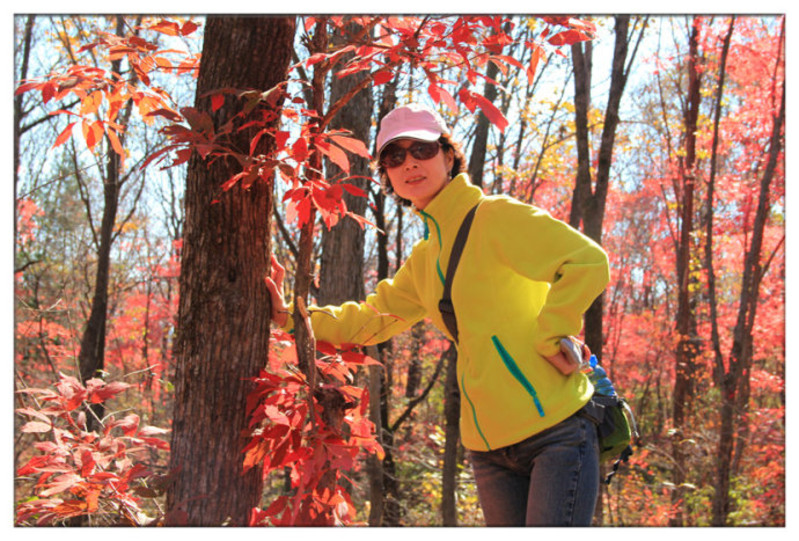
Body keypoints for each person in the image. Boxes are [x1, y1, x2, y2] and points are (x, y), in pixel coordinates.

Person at [266, 103, 610, 526]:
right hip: (488, 450)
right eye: (395, 156)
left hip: (556, 433)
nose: (410, 162)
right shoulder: (425, 259)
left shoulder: (495, 216)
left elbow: (587, 261)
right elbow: (371, 319)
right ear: (387, 174)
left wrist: (552, 331)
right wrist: (290, 316)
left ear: (448, 155)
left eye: (422, 149)